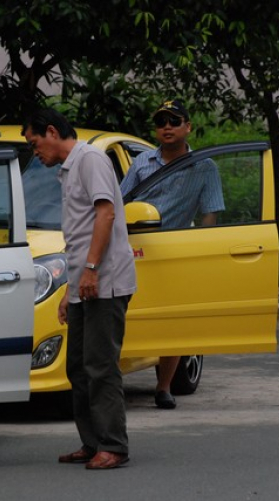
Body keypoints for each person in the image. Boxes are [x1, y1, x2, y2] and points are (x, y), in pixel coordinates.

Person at [22, 109, 137, 470]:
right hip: (84, 284)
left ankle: (113, 445)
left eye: (35, 142)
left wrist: (89, 270)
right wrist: (69, 290)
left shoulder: (90, 159)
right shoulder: (68, 169)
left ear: (52, 132)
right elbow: (78, 233)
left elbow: (105, 215)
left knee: (101, 365)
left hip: (106, 281)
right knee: (78, 367)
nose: (34, 151)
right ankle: (92, 441)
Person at [120, 99, 225, 410]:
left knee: (173, 321)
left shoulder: (204, 167)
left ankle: (163, 387)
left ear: (187, 127)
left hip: (175, 252)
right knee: (128, 314)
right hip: (135, 249)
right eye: (161, 122)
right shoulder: (141, 163)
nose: (166, 127)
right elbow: (118, 201)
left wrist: (203, 253)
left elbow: (210, 215)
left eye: (174, 121)